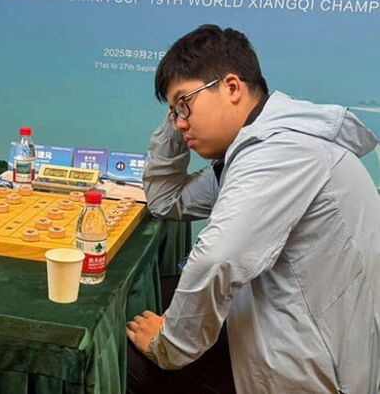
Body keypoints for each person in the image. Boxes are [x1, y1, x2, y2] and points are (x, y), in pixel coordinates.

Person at [126, 24, 380, 393]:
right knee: (160, 295)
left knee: (129, 358)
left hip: (311, 369)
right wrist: (177, 116)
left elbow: (217, 259)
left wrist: (167, 345)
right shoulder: (251, 152)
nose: (180, 123)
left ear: (232, 87)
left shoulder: (281, 151)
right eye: (173, 112)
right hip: (289, 326)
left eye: (185, 104)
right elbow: (166, 199)